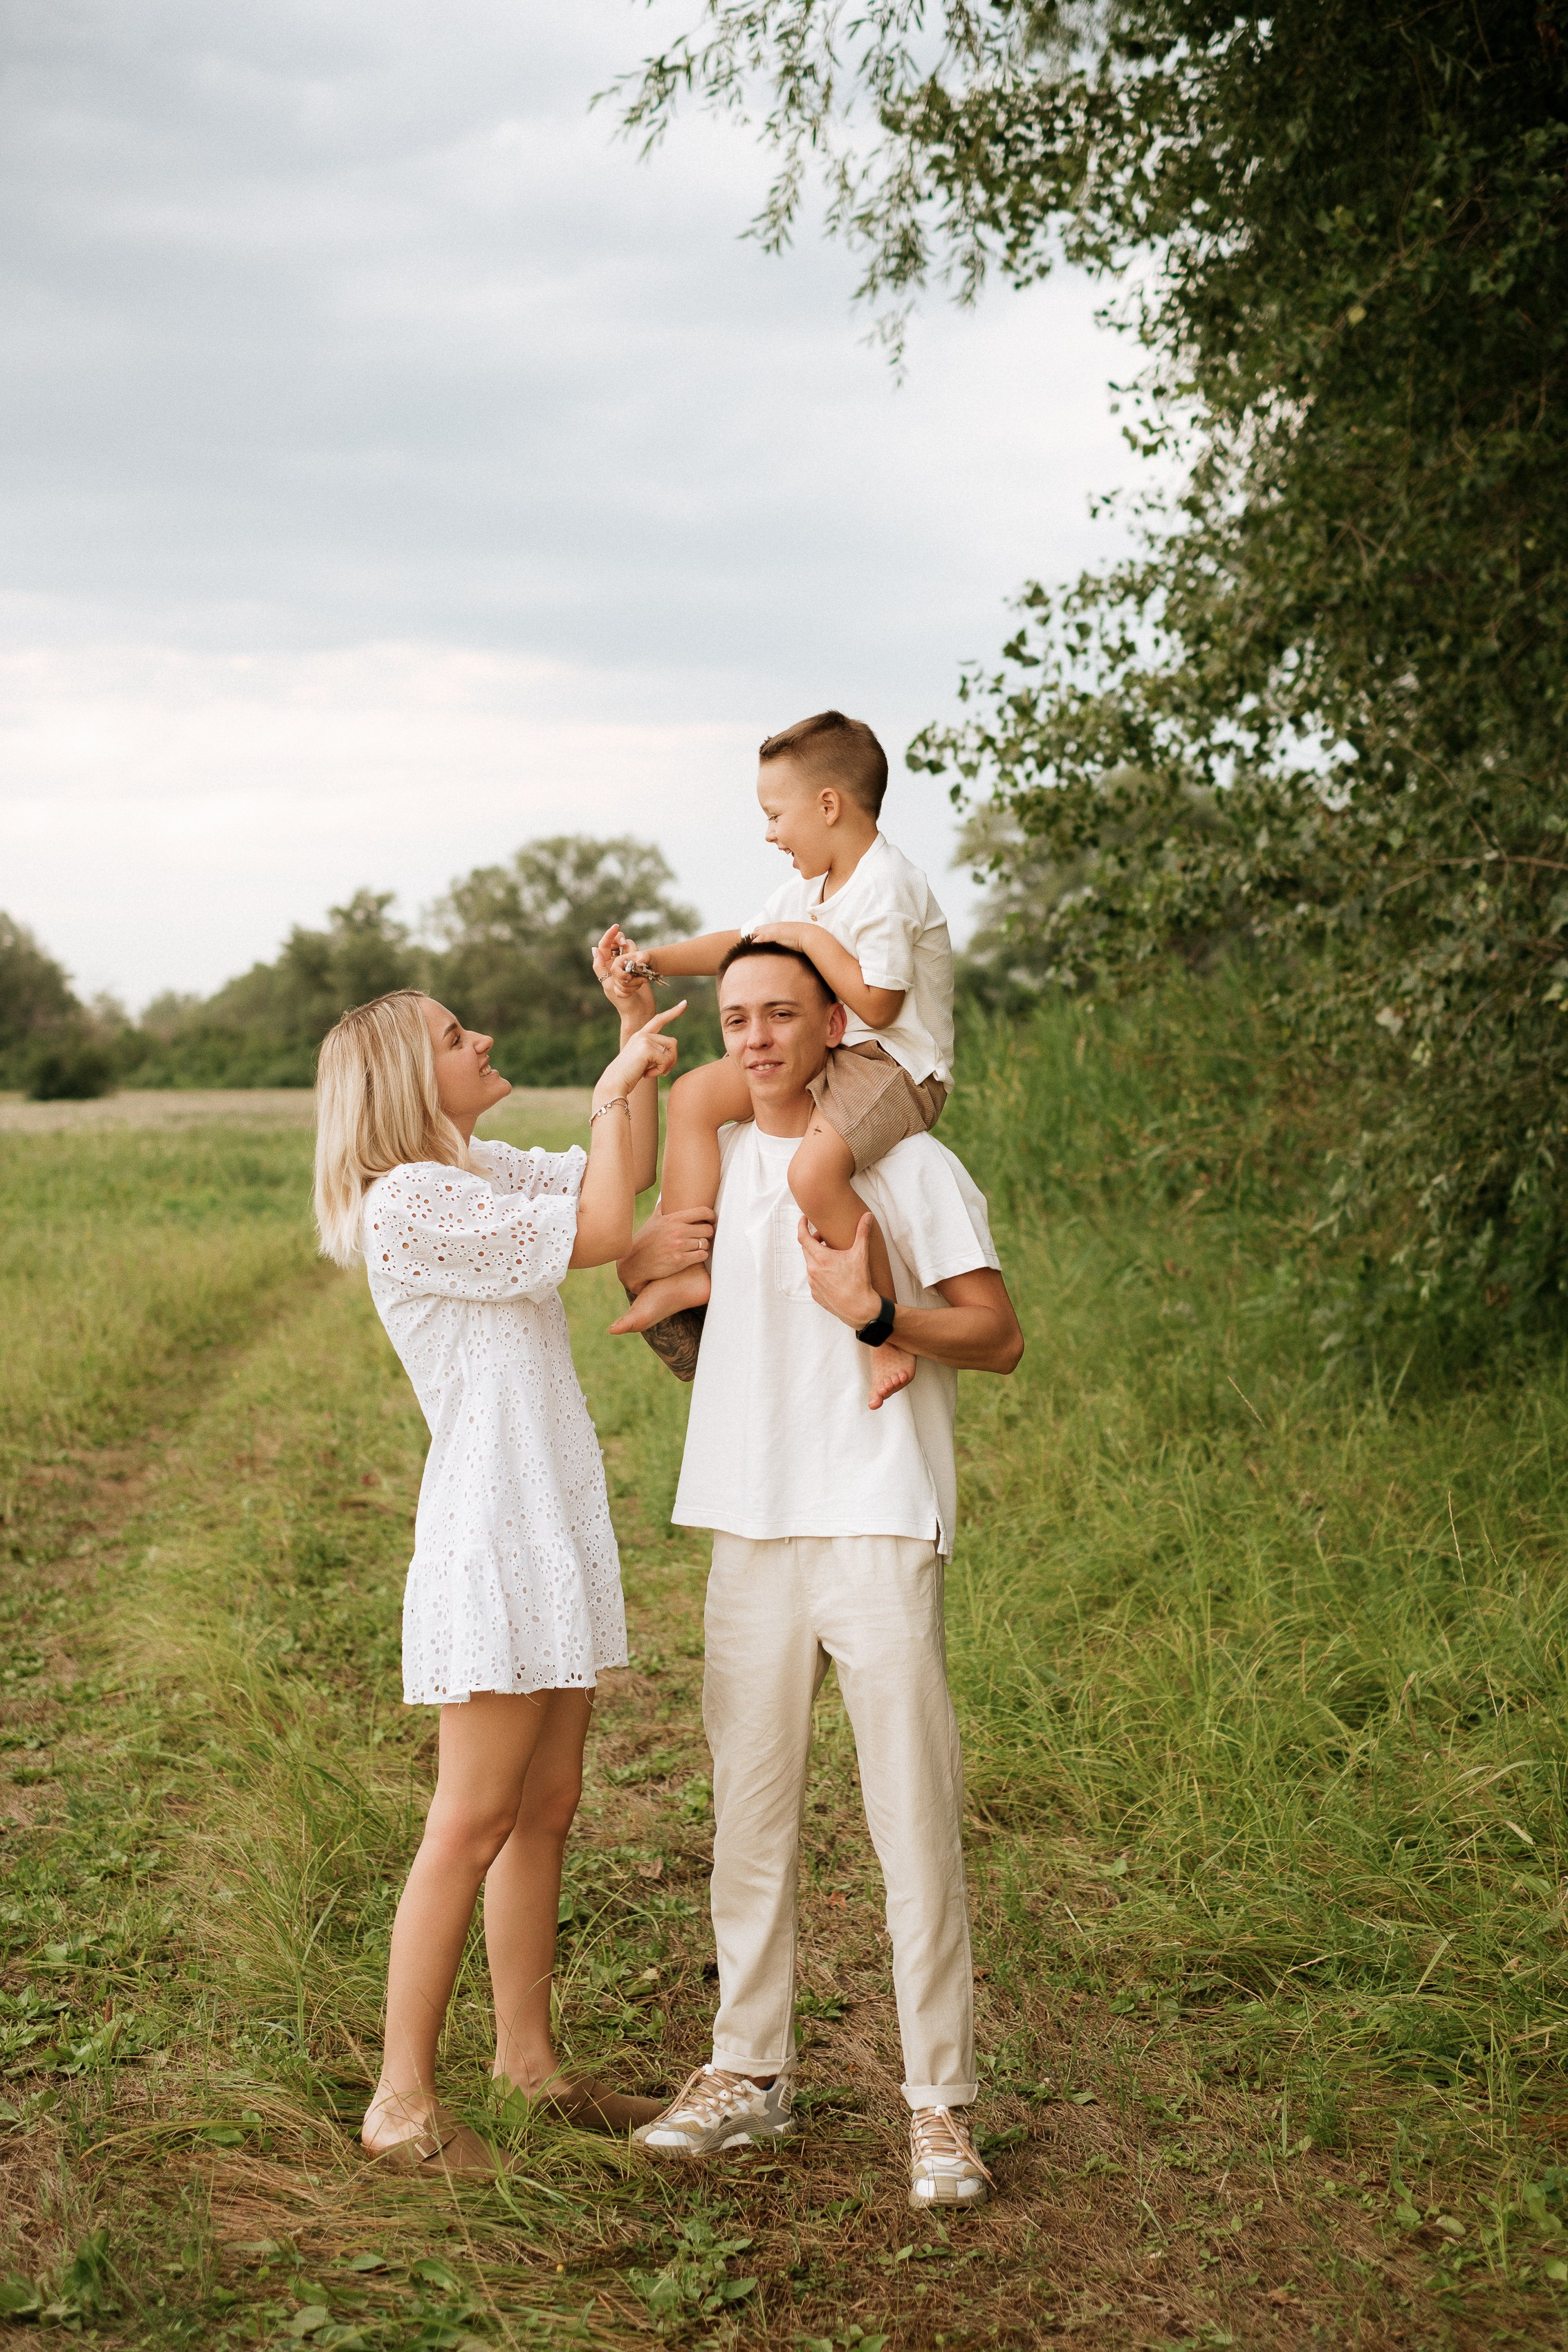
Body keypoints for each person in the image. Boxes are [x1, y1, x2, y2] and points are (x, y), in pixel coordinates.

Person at [605, 938, 1023, 2212]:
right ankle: (750, 2073)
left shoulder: (911, 1162)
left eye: (782, 1013)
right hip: (748, 1521)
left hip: (878, 1518)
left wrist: (884, 1322)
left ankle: (940, 2109)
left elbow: (998, 1336)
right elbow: (650, 1275)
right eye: (736, 1017)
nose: (755, 1038)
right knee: (750, 1817)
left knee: (911, 1818)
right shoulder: (720, 1167)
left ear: (835, 1021)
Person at [313, 984, 683, 2176]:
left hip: (545, 1512)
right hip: (493, 1527)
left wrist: (631, 1066)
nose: (478, 1040)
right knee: (471, 1817)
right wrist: (620, 1098)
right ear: (406, 1083)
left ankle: (529, 2063)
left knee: (546, 1805)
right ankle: (398, 2104)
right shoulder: (411, 1201)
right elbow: (606, 1231)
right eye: (451, 1037)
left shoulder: (474, 1169)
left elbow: (601, 1179)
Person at [602, 710, 953, 1411]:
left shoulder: (887, 884)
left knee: (811, 1171)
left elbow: (878, 1006)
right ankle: (690, 1265)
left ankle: (880, 1325)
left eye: (774, 814)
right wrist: (647, 961)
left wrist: (807, 939)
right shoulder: (805, 893)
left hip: (892, 1067)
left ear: (828, 805)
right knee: (696, 1096)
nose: (767, 833)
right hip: (824, 1051)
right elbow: (741, 943)